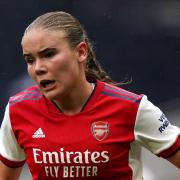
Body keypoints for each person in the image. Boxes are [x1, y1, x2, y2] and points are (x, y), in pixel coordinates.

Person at [0, 11, 179, 180]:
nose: (38, 67)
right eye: (30, 60)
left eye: (49, 54)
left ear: (81, 52)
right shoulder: (18, 111)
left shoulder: (132, 108)